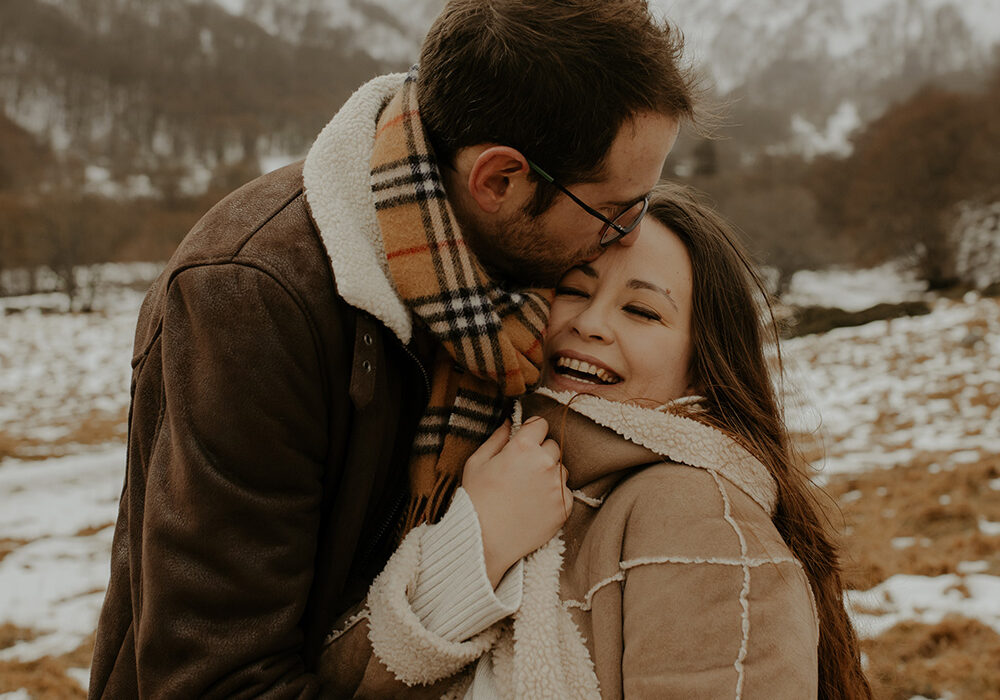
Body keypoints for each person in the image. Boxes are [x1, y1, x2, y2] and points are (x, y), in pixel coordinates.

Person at [88, 0, 696, 697]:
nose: (625, 236)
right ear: (498, 180)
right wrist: (473, 547)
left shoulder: (519, 289)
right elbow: (217, 682)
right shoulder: (253, 300)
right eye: (615, 209)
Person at [320, 184, 873, 698]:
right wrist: (475, 546)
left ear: (704, 365)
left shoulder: (695, 513)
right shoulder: (478, 461)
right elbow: (332, 683)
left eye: (641, 310)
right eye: (573, 289)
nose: (591, 323)